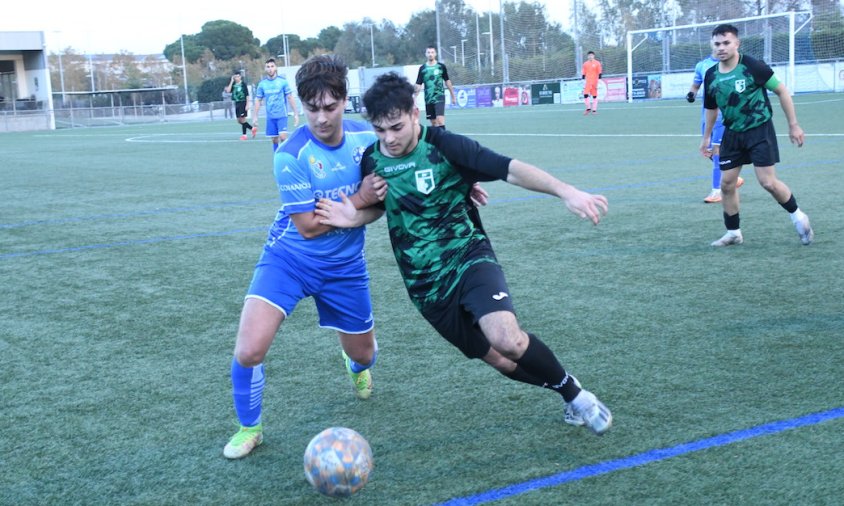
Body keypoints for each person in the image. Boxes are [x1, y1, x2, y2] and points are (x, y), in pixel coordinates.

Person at [316, 72, 613, 436]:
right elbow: (380, 207)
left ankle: (576, 395)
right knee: (500, 360)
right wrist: (353, 217)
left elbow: (509, 169)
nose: (389, 139)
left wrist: (567, 191)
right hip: (424, 287)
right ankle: (563, 387)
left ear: (414, 113)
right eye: (380, 131)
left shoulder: (445, 146)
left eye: (395, 127)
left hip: (468, 257)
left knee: (507, 338)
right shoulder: (372, 160)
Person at [223, 55, 386, 460]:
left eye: (330, 107)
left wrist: (358, 208)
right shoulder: (290, 154)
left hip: (345, 267)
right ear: (303, 105)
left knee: (364, 355)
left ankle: (353, 363)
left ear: (346, 101)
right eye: (312, 108)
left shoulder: (368, 140)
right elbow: (309, 226)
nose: (321, 118)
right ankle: (250, 428)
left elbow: (383, 204)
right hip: (289, 261)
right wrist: (359, 200)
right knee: (249, 350)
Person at [701, 24, 813, 247]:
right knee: (726, 184)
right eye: (717, 44)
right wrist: (707, 138)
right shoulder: (711, 75)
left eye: (726, 43)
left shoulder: (752, 66)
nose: (721, 48)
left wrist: (794, 125)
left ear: (736, 44)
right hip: (732, 134)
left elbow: (781, 91)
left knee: (768, 182)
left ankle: (798, 216)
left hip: (759, 129)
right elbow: (711, 108)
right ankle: (733, 232)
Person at [688, 53, 744, 203]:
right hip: (707, 114)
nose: (720, 47)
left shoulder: (733, 62)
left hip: (724, 114)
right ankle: (732, 177)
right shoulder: (702, 65)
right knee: (708, 151)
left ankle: (717, 191)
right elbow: (695, 85)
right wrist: (691, 94)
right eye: (717, 43)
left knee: (717, 149)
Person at [253, 58, 300, 153]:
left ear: (276, 68)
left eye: (272, 66)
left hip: (282, 115)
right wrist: (255, 116)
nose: (270, 69)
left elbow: (290, 97)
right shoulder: (262, 84)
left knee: (283, 137)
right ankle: (277, 158)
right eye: (268, 67)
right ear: (265, 69)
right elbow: (258, 100)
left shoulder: (283, 82)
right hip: (270, 117)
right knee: (274, 140)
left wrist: (296, 113)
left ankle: (285, 157)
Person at [414, 45, 456, 129]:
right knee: (433, 123)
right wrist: (414, 99)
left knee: (440, 120)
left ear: (435, 54)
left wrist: (453, 96)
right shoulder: (422, 69)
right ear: (426, 54)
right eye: (428, 52)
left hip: (439, 97)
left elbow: (447, 81)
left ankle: (443, 140)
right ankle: (437, 140)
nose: (430, 54)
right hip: (428, 98)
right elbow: (418, 84)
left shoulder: (441, 67)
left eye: (432, 52)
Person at [224, 71, 255, 140]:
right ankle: (252, 128)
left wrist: (247, 104)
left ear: (240, 77)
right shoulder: (234, 84)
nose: (236, 78)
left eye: (238, 76)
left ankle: (244, 135)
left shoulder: (243, 84)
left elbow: (247, 95)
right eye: (235, 77)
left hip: (243, 103)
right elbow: (228, 91)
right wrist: (231, 81)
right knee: (239, 121)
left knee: (243, 119)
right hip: (237, 103)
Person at [581, 51, 602, 115]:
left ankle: (594, 110)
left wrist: (599, 81)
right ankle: (588, 108)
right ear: (588, 56)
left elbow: (600, 72)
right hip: (588, 82)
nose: (590, 56)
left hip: (595, 82)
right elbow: (583, 73)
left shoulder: (597, 63)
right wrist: (583, 81)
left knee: (594, 96)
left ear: (594, 56)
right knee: (585, 94)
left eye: (591, 55)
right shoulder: (585, 64)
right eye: (589, 55)